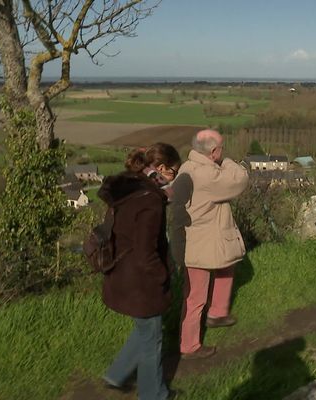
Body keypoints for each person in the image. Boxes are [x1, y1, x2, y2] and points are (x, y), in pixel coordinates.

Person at [98, 143, 181, 400]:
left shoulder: (129, 186)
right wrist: (162, 276)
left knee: (145, 330)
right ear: (162, 169)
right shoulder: (150, 201)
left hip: (121, 272)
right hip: (141, 281)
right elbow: (147, 252)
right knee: (152, 340)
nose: (174, 179)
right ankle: (153, 394)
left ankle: (116, 375)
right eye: (174, 173)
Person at [176, 129, 249, 359]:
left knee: (227, 266)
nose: (223, 152)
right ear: (214, 151)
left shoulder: (187, 166)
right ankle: (189, 346)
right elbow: (240, 180)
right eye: (221, 148)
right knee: (195, 296)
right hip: (202, 242)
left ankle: (217, 313)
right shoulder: (207, 175)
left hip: (206, 238)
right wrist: (226, 161)